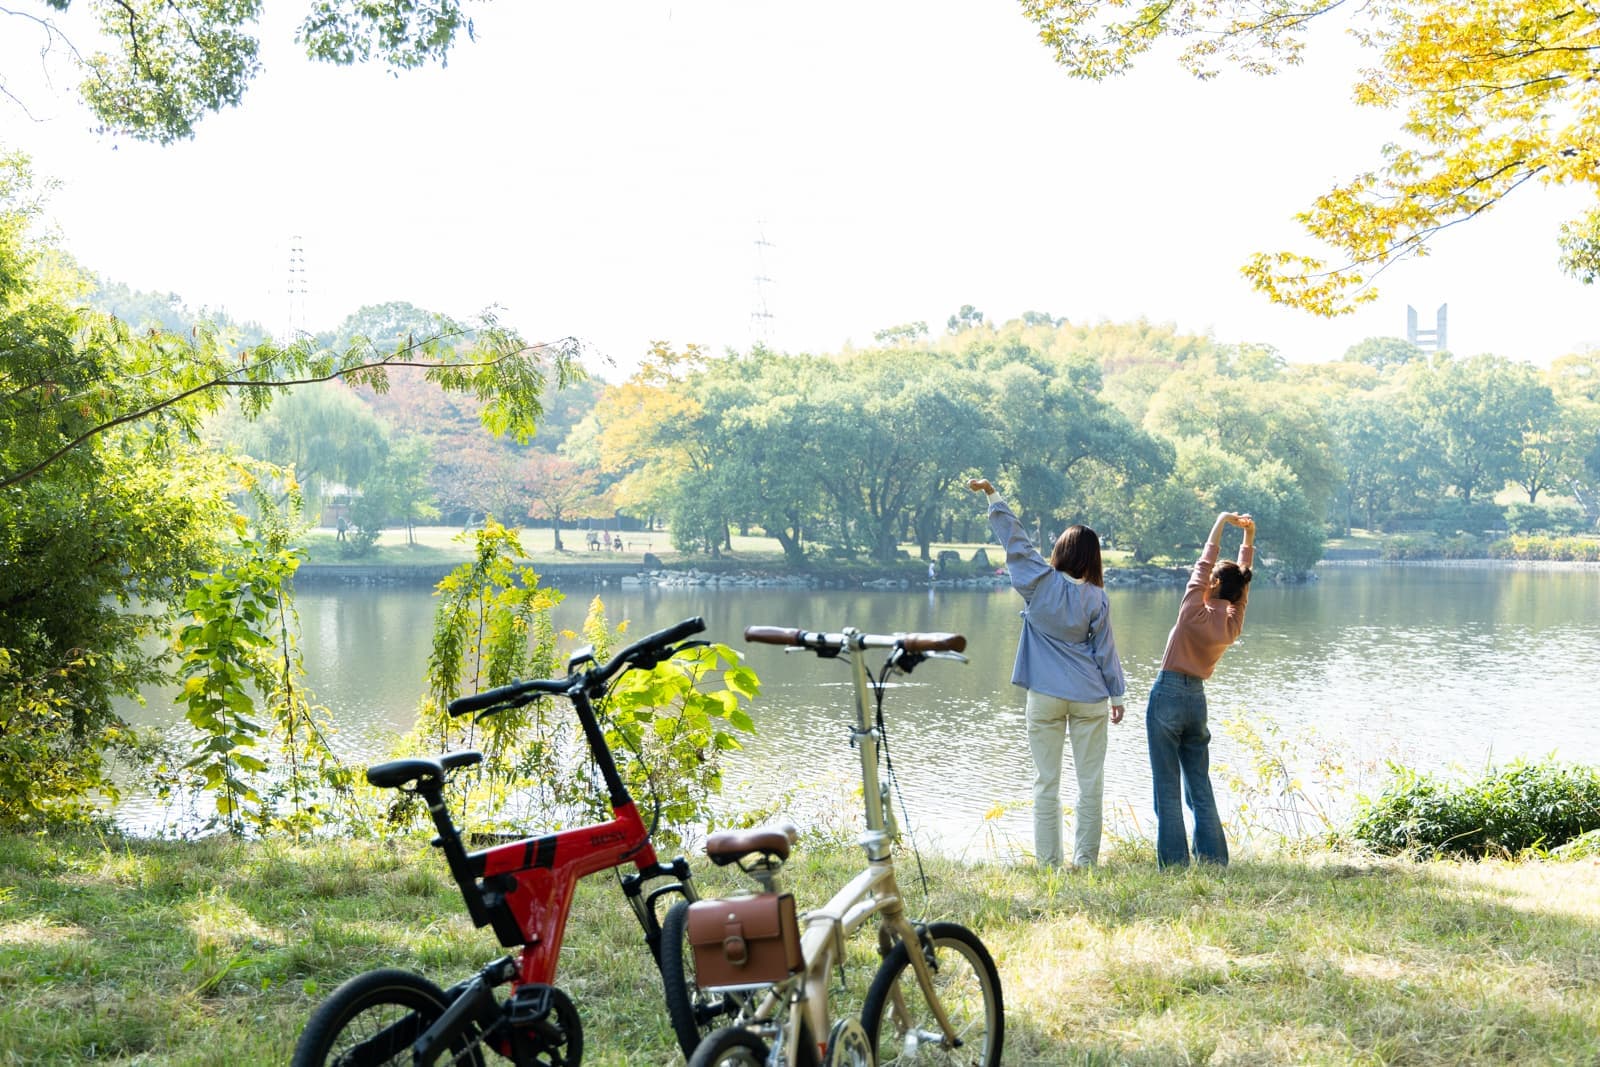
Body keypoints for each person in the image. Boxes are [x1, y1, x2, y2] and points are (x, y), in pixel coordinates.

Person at [968, 477, 1127, 868]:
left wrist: (994, 495)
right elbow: (1105, 650)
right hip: (1091, 696)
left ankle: (1049, 864)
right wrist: (1118, 695)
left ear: (1060, 550)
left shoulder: (1038, 583)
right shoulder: (1096, 596)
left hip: (1044, 696)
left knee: (1046, 783)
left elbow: (1015, 541)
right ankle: (1086, 861)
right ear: (1093, 559)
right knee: (1090, 784)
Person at [1147, 511, 1255, 868]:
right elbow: (1241, 587)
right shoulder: (1231, 624)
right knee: (1200, 786)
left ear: (1210, 583)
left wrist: (1222, 520)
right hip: (1197, 701)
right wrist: (1248, 539)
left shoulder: (1193, 608)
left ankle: (1175, 865)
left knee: (1167, 786)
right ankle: (1213, 861)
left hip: (1167, 694)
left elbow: (1204, 560)